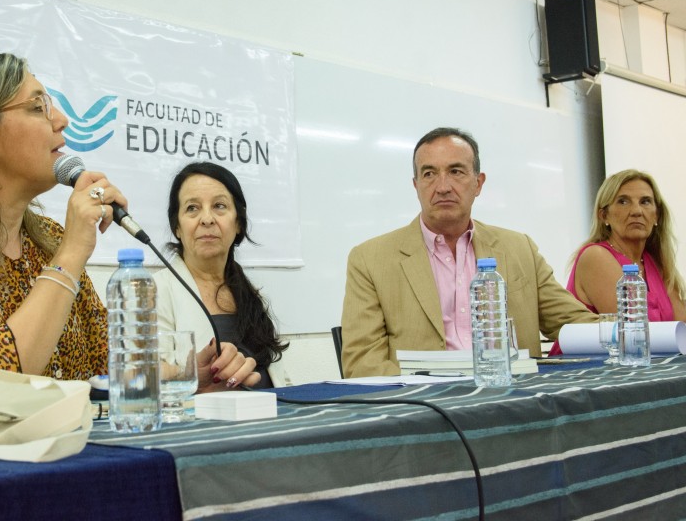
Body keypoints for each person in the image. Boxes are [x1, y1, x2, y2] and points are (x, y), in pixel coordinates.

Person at [0, 52, 259, 393]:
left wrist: (190, 376)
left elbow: (108, 361)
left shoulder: (45, 238)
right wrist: (72, 251)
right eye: (38, 107)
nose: (62, 120)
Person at [340, 127, 597, 377]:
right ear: (416, 185)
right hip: (428, 406)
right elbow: (362, 364)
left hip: (513, 398)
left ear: (478, 183)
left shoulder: (519, 249)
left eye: (456, 171)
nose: (442, 186)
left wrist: (628, 332)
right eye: (429, 174)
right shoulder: (371, 259)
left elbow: (574, 325)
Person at [154, 161, 291, 388]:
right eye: (192, 208)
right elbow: (140, 379)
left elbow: (281, 380)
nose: (207, 219)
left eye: (219, 206)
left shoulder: (250, 295)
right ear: (176, 227)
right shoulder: (153, 291)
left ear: (238, 222)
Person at [566, 169, 686, 321]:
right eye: (623, 201)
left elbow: (681, 325)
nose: (636, 211)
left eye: (645, 201)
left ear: (656, 215)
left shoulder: (655, 261)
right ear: (604, 216)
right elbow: (633, 333)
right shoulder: (596, 256)